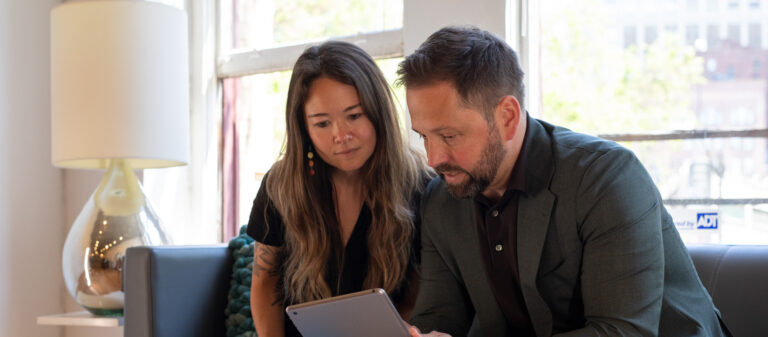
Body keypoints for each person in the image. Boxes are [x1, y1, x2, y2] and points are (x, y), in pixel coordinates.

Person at [399, 26, 729, 337]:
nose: (433, 158)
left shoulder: (606, 178)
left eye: (449, 135)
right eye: (424, 137)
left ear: (508, 117)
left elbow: (623, 331)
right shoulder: (441, 198)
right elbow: (438, 318)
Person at [245, 41, 429, 337]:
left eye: (354, 116)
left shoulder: (421, 184)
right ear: (303, 129)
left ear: (378, 111)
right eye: (321, 123)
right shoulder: (281, 184)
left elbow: (421, 294)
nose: (341, 136)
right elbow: (265, 279)